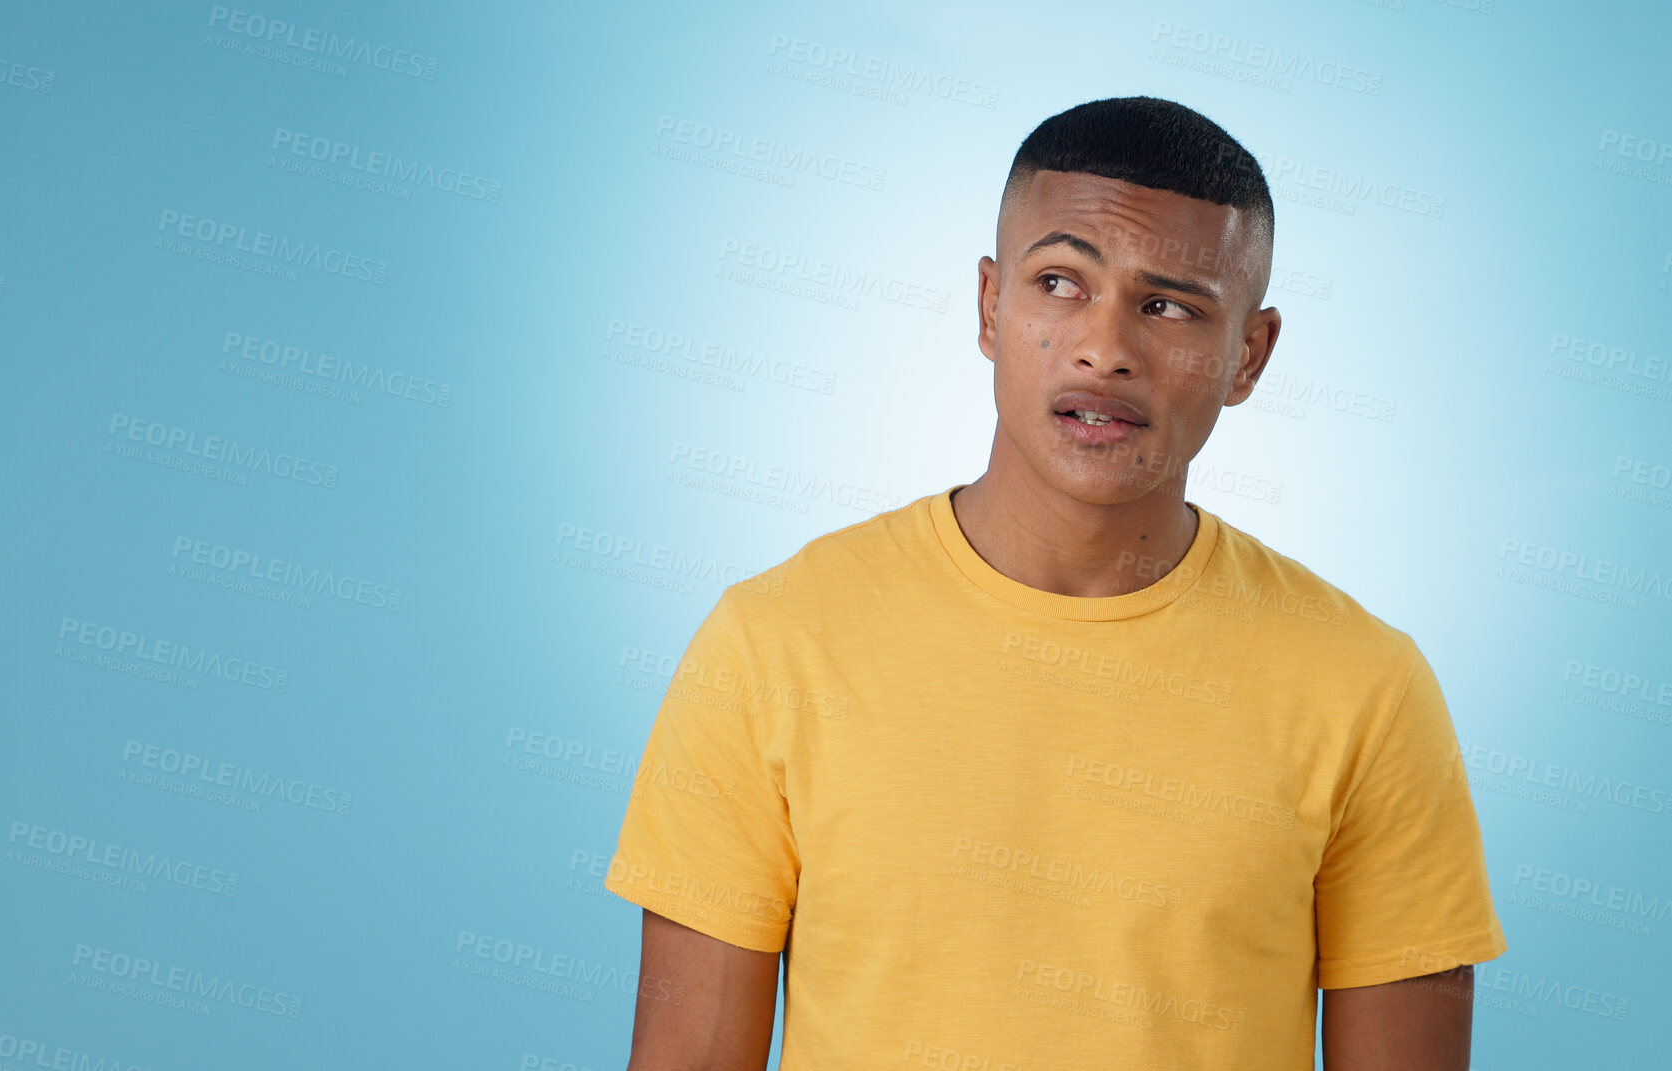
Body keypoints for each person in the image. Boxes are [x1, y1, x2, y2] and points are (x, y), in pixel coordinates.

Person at [603, 95, 1505, 1071]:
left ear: (1248, 353)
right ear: (990, 305)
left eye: (1167, 305)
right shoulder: (771, 642)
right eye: (1060, 283)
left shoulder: (1363, 688)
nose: (1103, 347)